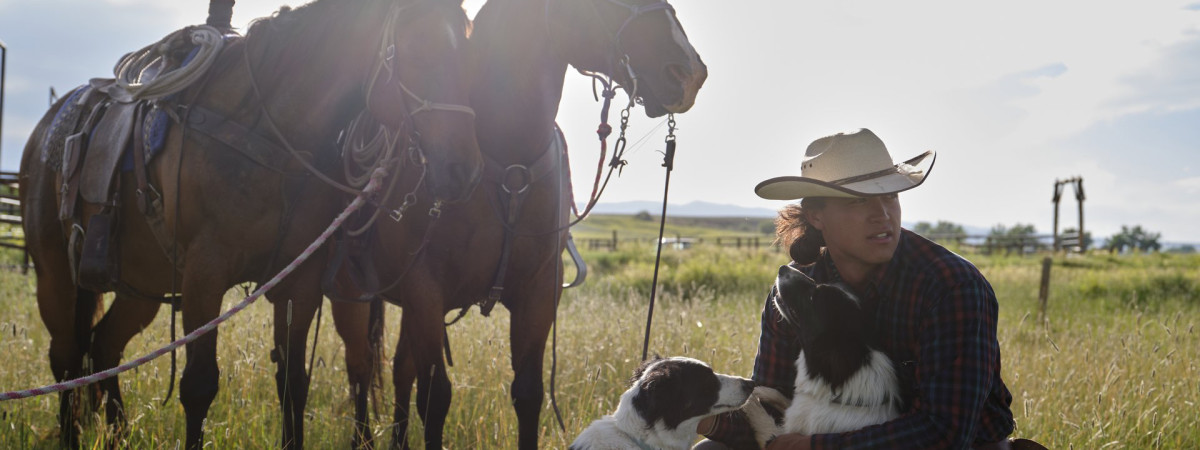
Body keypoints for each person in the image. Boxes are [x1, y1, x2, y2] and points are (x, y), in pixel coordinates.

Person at [694, 128, 1016, 449]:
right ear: (816, 215)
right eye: (859, 200)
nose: (883, 214)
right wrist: (699, 417)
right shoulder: (795, 293)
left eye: (890, 195)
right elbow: (771, 404)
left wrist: (815, 447)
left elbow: (945, 433)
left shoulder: (950, 286)